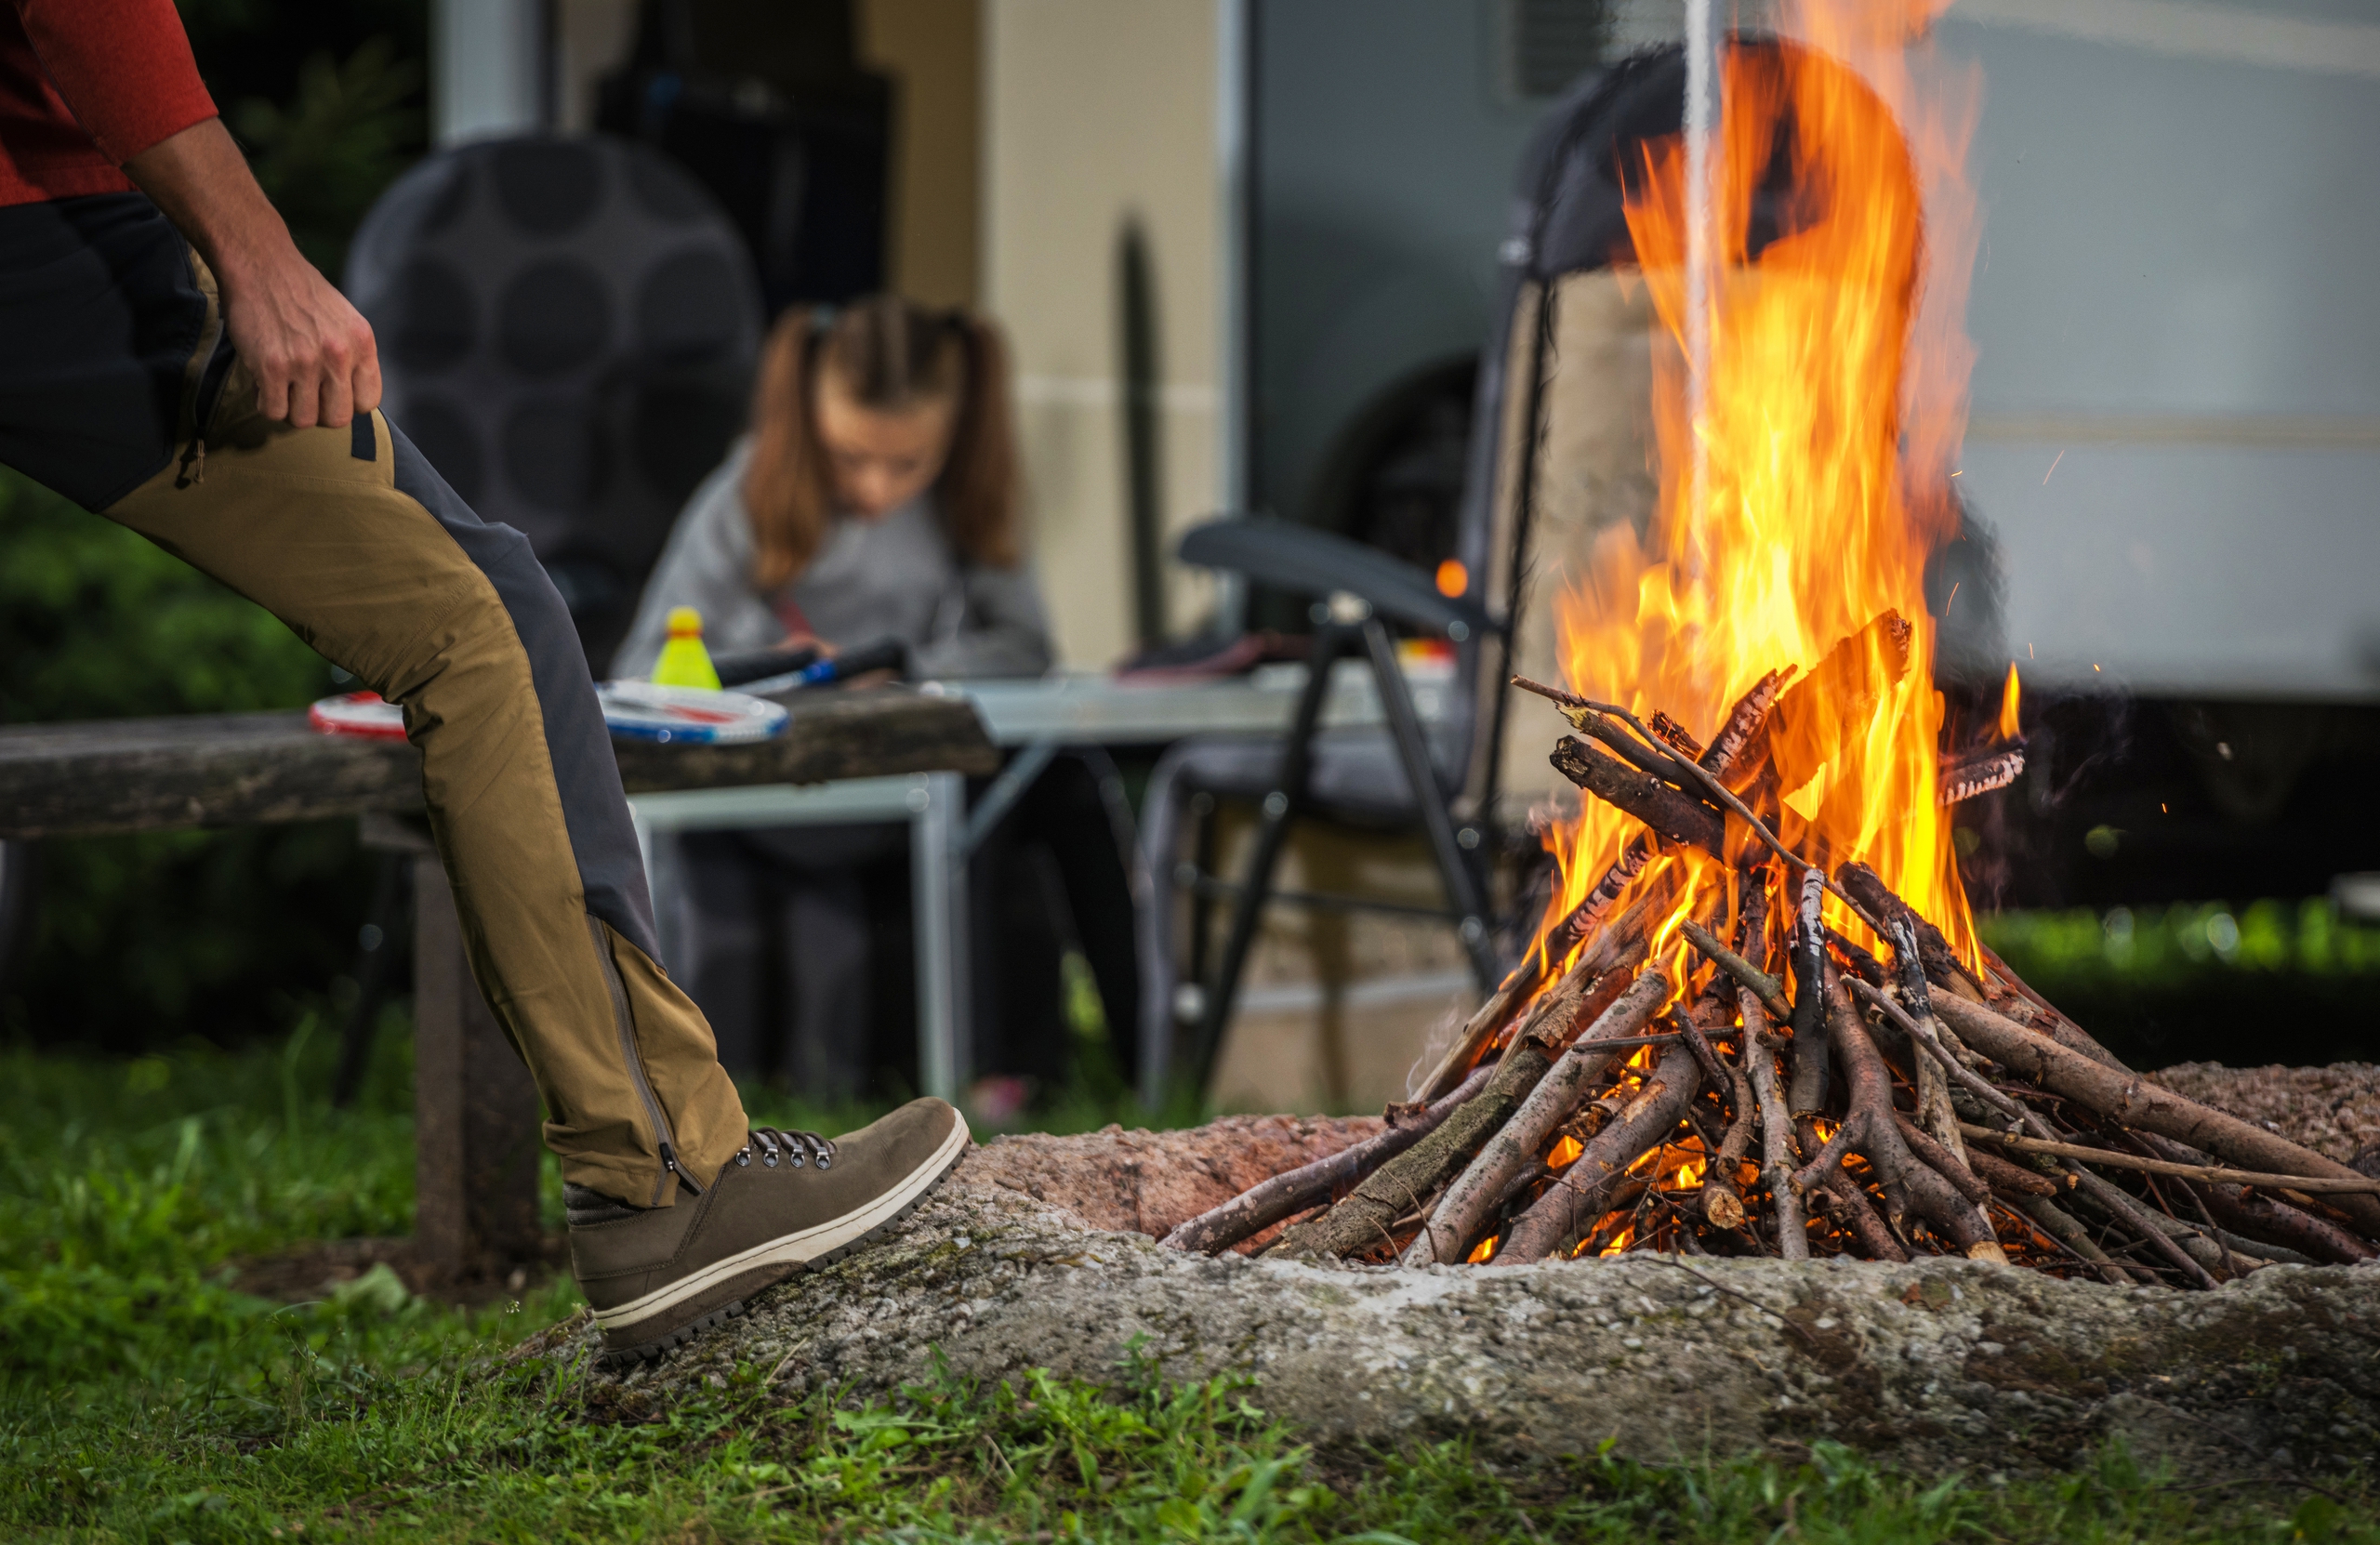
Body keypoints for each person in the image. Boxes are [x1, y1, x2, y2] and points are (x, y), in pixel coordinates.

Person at [0, 0, 967, 1365]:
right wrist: (258, 255)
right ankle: (667, 1179)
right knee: (480, 621)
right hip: (36, 218)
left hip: (50, 215)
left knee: (485, 609)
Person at [615, 297, 1141, 1104]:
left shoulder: (973, 491)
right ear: (811, 419)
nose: (877, 487)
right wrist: (774, 669)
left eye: (909, 465)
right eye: (852, 457)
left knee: (1059, 780)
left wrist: (902, 676)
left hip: (919, 778)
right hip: (774, 786)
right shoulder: (746, 491)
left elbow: (1023, 648)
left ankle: (1123, 1060)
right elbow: (645, 666)